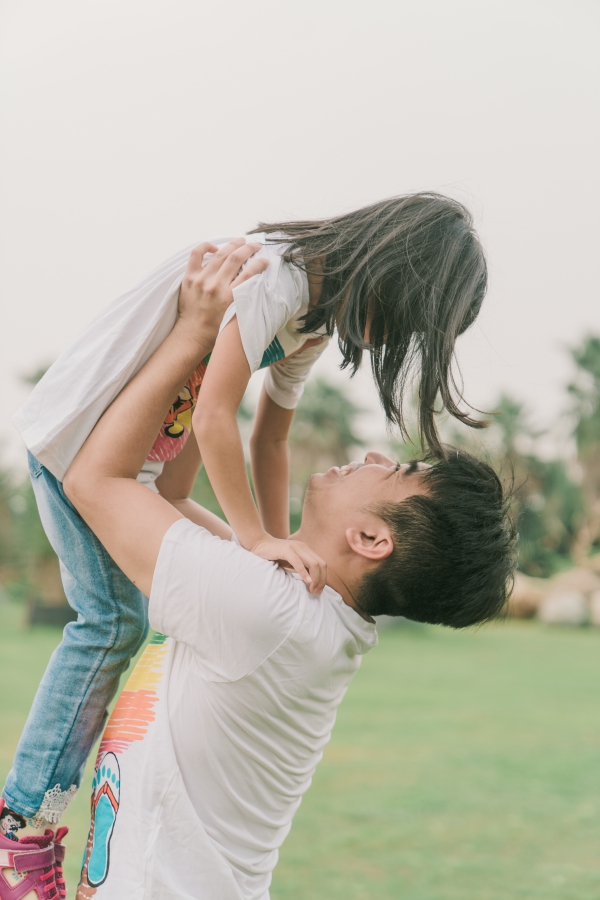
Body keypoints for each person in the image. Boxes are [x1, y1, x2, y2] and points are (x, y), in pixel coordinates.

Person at [2, 194, 490, 874]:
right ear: (389, 276)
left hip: (128, 460)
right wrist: (259, 539)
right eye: (402, 325)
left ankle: (29, 828)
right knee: (112, 624)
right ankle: (24, 826)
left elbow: (270, 436)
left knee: (115, 624)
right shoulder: (277, 280)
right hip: (76, 434)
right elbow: (214, 417)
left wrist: (266, 540)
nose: (386, 342)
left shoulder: (309, 325)